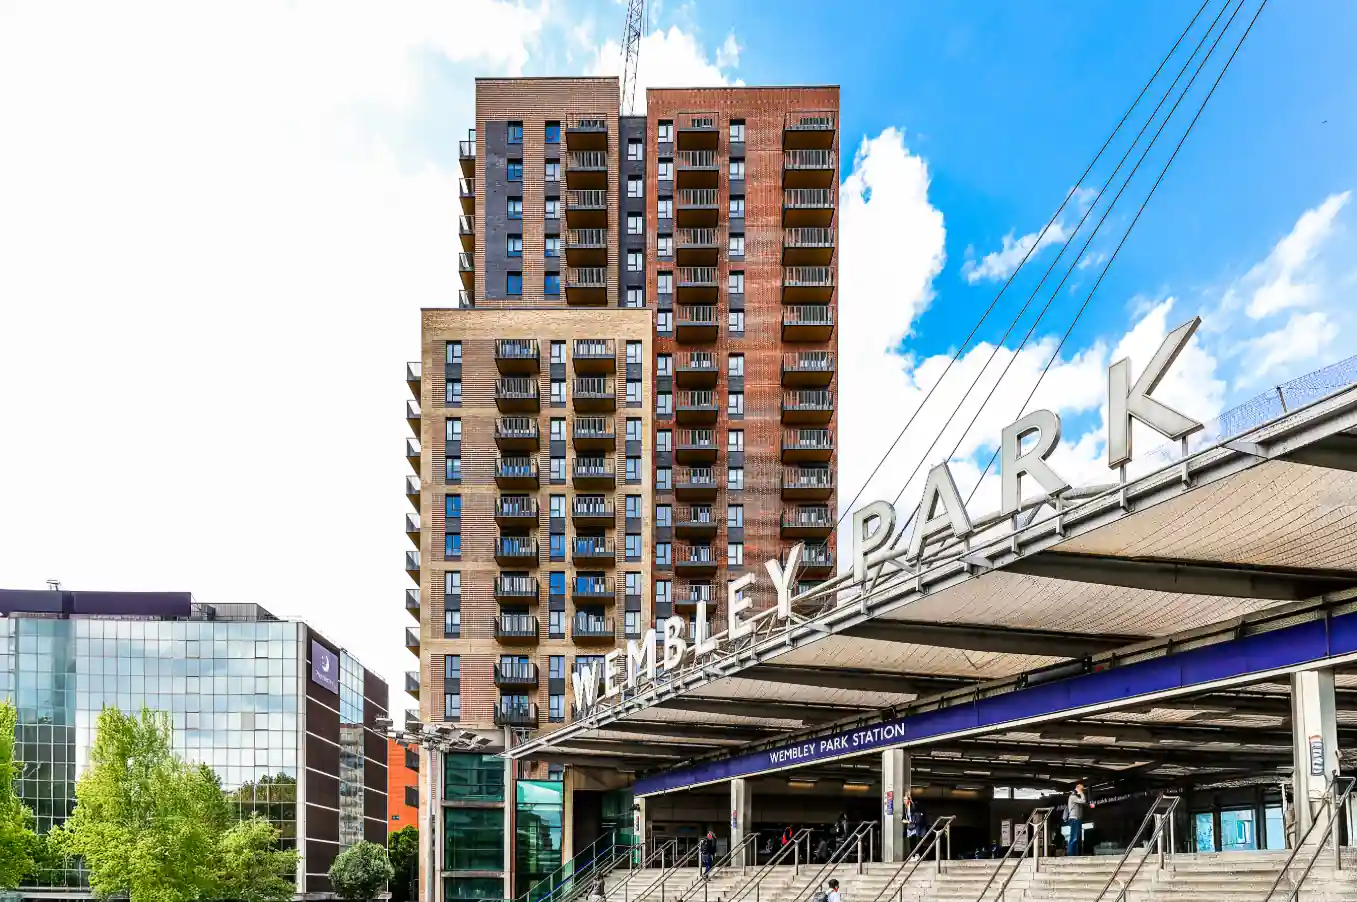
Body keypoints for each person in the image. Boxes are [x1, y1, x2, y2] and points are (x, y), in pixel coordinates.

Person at [1065, 782, 1094, 856]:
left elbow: (1084, 803)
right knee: (1074, 837)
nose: (1082, 791)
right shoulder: (1073, 797)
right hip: (1074, 819)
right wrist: (1080, 793)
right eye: (1081, 790)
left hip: (1076, 819)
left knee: (1075, 837)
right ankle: (1071, 854)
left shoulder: (1075, 797)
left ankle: (1074, 854)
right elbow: (1083, 801)